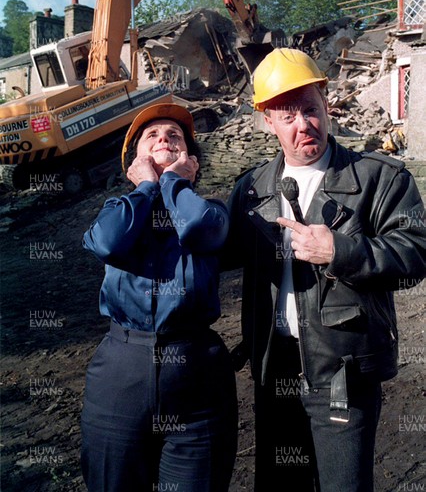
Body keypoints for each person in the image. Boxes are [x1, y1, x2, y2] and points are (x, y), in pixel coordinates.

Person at [223, 48, 426, 491]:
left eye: (311, 110)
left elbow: (414, 253)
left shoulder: (380, 178)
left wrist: (342, 251)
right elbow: (215, 252)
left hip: (343, 371)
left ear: (326, 105)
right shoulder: (252, 189)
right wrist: (159, 192)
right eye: (288, 115)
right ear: (267, 121)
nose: (304, 125)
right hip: (274, 367)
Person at [81, 102, 238, 492]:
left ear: (192, 161)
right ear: (134, 163)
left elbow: (201, 227)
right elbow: (107, 242)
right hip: (122, 374)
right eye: (151, 136)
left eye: (175, 136)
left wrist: (172, 182)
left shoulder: (210, 210)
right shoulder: (119, 210)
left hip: (197, 375)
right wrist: (148, 187)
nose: (164, 138)